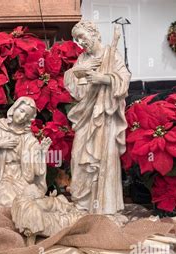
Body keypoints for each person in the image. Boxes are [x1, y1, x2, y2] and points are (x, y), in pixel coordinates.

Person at [64, 20, 131, 214]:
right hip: (86, 113)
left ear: (95, 34)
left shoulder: (111, 55)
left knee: (104, 158)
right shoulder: (83, 59)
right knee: (78, 156)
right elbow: (74, 85)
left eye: (82, 37)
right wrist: (79, 73)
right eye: (77, 40)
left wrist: (104, 79)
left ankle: (104, 206)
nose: (80, 42)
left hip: (105, 116)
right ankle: (82, 204)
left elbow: (124, 80)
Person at [0, 96, 51, 207]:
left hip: (21, 177)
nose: (22, 117)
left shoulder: (27, 135)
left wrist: (41, 152)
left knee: (31, 200)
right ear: (14, 108)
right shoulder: (0, 127)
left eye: (26, 115)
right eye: (21, 111)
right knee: (8, 200)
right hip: (3, 176)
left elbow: (33, 153)